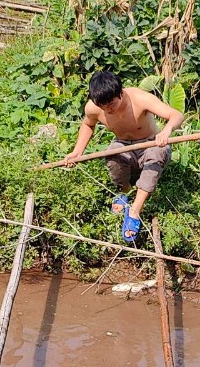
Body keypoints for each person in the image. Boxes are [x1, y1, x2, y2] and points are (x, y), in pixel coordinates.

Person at [62, 70, 185, 242]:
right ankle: (125, 192)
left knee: (157, 153)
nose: (108, 109)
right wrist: (77, 152)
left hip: (151, 144)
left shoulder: (139, 99)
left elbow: (176, 115)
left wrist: (166, 131)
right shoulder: (93, 107)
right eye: (102, 106)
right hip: (123, 145)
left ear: (120, 93)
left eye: (111, 104)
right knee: (112, 152)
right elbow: (88, 125)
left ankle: (134, 211)